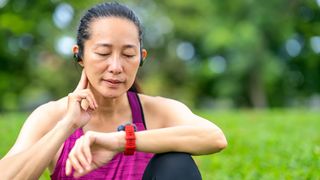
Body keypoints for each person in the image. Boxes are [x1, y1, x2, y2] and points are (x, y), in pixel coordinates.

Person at [0, 2, 227, 180]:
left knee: (176, 162)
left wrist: (120, 141)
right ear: (80, 55)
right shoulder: (51, 116)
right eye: (103, 53)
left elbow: (214, 138)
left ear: (141, 58)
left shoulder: (158, 111)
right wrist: (67, 125)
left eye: (128, 55)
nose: (116, 67)